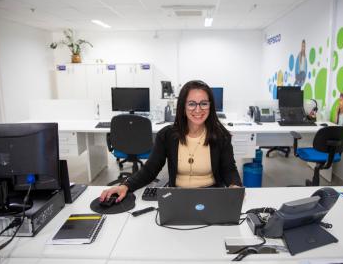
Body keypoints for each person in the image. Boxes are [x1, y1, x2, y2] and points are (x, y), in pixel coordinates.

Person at [100, 80, 242, 202]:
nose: (198, 109)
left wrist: (234, 185)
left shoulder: (221, 136)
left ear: (210, 106)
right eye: (191, 104)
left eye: (204, 103)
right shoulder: (167, 135)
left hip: (212, 195)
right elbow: (151, 169)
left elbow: (229, 169)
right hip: (177, 196)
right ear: (183, 106)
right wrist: (126, 185)